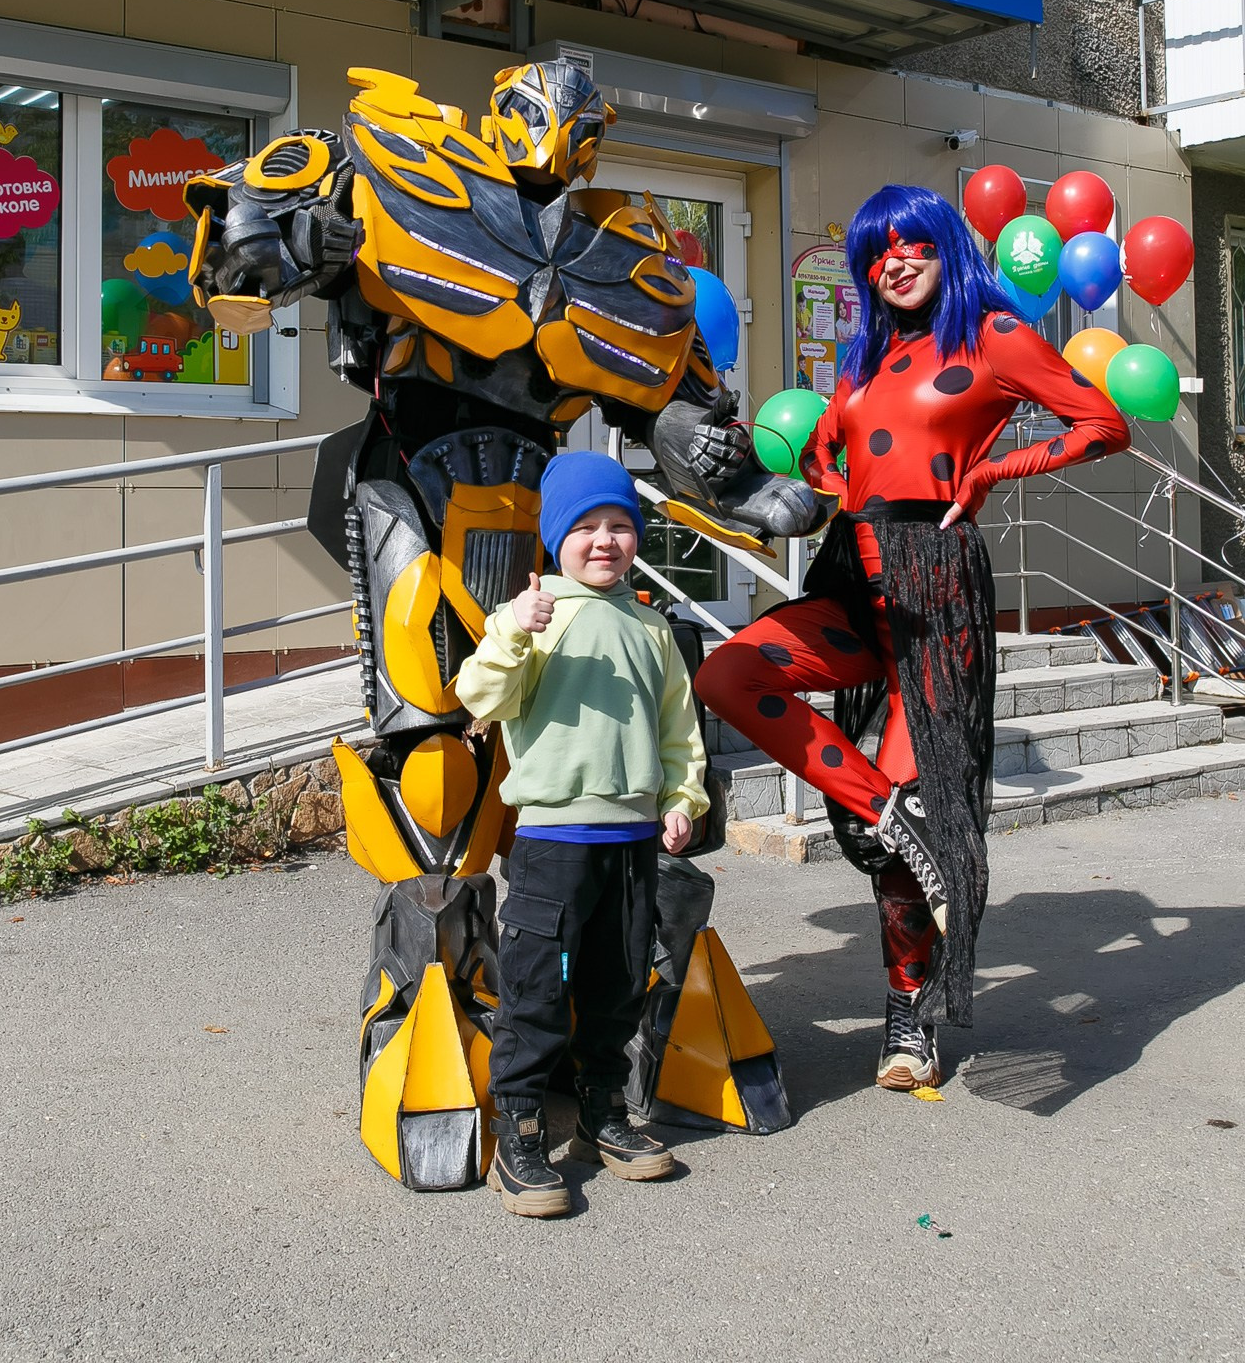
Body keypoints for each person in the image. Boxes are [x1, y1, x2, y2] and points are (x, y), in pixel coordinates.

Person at [696, 184, 1130, 1093]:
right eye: (877, 251)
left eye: (912, 244)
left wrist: (993, 472)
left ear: (945, 250)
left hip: (935, 593)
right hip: (850, 581)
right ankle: (895, 818)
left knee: (901, 843)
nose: (895, 261)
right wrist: (804, 466)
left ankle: (911, 1016)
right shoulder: (862, 365)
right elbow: (836, 465)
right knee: (731, 674)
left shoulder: (995, 340)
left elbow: (1105, 423)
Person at [455, 450, 709, 1218]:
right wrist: (513, 634)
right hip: (553, 844)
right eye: (587, 527)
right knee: (534, 990)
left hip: (631, 844)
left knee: (618, 985)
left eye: (621, 526)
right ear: (557, 538)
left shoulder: (653, 628)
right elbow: (481, 695)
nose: (605, 541)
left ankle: (603, 1110)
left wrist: (682, 797)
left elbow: (678, 732)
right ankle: (523, 1128)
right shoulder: (532, 615)